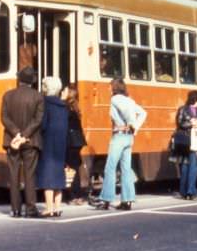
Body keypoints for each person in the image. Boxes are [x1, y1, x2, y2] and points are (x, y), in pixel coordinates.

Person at [94, 78, 147, 211]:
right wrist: (134, 128)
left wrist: (130, 123)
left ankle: (105, 199)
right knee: (126, 169)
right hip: (129, 138)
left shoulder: (115, 99)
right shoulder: (129, 99)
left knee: (110, 167)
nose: (108, 89)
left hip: (119, 136)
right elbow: (143, 113)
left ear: (114, 87)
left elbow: (127, 114)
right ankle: (127, 200)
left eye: (110, 86)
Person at [0, 66, 44, 218]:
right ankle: (30, 209)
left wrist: (16, 134)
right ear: (32, 81)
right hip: (30, 141)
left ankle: (15, 209)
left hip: (12, 140)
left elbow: (4, 118)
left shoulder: (7, 95)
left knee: (13, 175)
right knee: (29, 175)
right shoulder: (37, 96)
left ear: (19, 79)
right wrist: (24, 135)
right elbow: (37, 120)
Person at [36, 76, 69, 217]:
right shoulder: (63, 106)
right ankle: (57, 207)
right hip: (61, 143)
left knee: (47, 175)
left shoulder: (45, 104)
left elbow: (42, 125)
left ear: (46, 88)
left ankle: (49, 208)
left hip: (48, 142)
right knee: (58, 174)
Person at [175, 90, 197, 200]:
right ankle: (188, 191)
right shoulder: (183, 109)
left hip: (195, 140)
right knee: (189, 166)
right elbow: (179, 123)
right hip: (186, 140)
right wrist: (191, 124)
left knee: (190, 165)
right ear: (195, 99)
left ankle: (187, 191)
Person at [63, 84, 88, 205]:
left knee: (70, 168)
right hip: (77, 140)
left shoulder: (66, 107)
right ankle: (78, 195)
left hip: (70, 141)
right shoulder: (76, 106)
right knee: (75, 168)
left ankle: (73, 195)